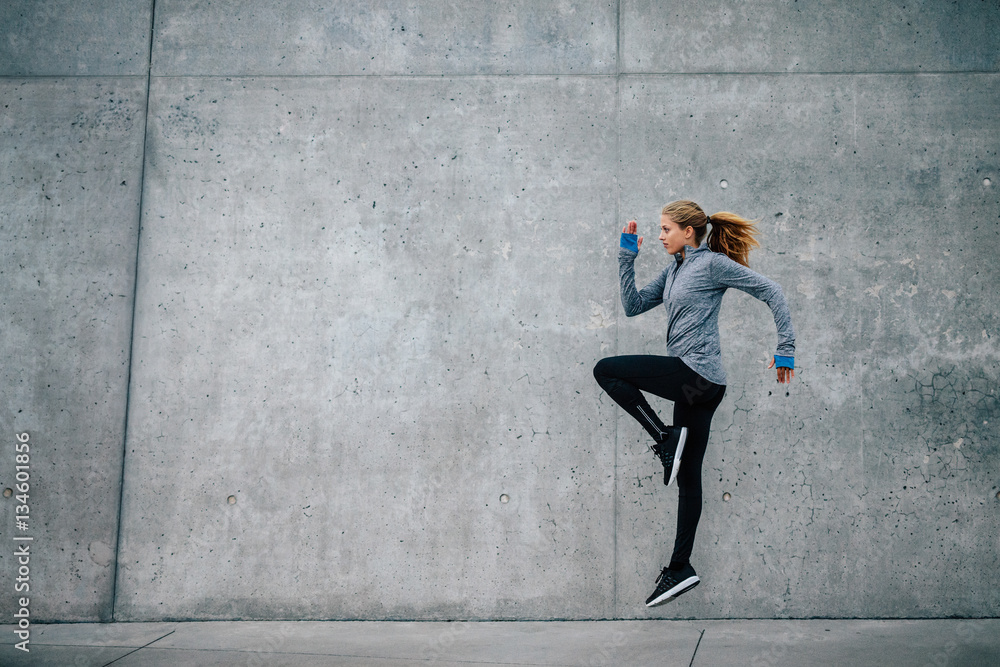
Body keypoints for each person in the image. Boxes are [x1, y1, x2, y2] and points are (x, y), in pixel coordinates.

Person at [593, 199, 795, 607]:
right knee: (687, 477)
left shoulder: (712, 265)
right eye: (660, 229)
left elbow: (770, 290)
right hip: (699, 388)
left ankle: (665, 439)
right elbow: (632, 306)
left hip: (696, 375)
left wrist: (785, 348)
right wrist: (626, 256)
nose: (661, 236)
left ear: (690, 231)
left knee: (606, 369)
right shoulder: (675, 269)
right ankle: (680, 567)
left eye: (666, 229)